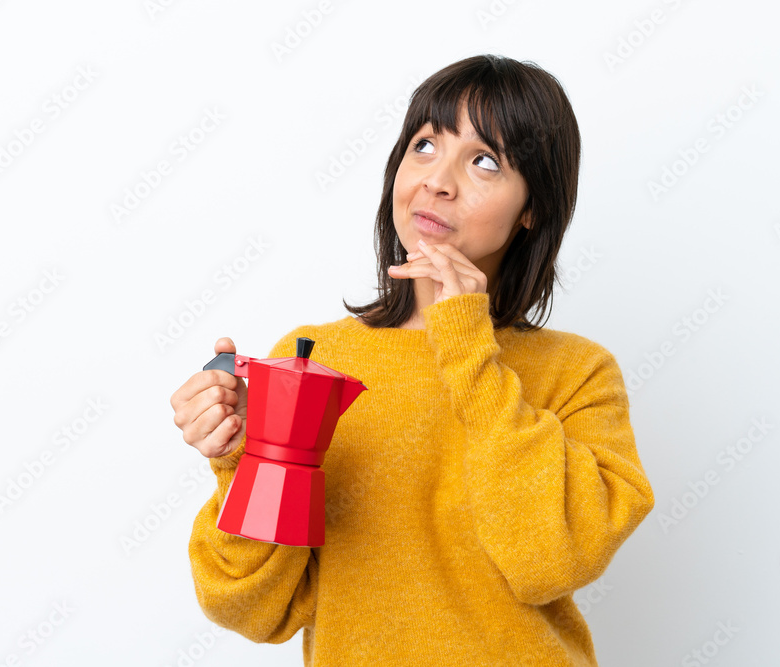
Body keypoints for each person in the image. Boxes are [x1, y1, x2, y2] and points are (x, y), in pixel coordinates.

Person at [171, 54, 656, 666]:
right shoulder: (315, 358)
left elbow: (548, 562)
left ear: (533, 207)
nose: (438, 180)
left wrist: (468, 348)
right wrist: (244, 456)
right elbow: (254, 609)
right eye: (425, 145)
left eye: (485, 161)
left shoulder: (579, 374)